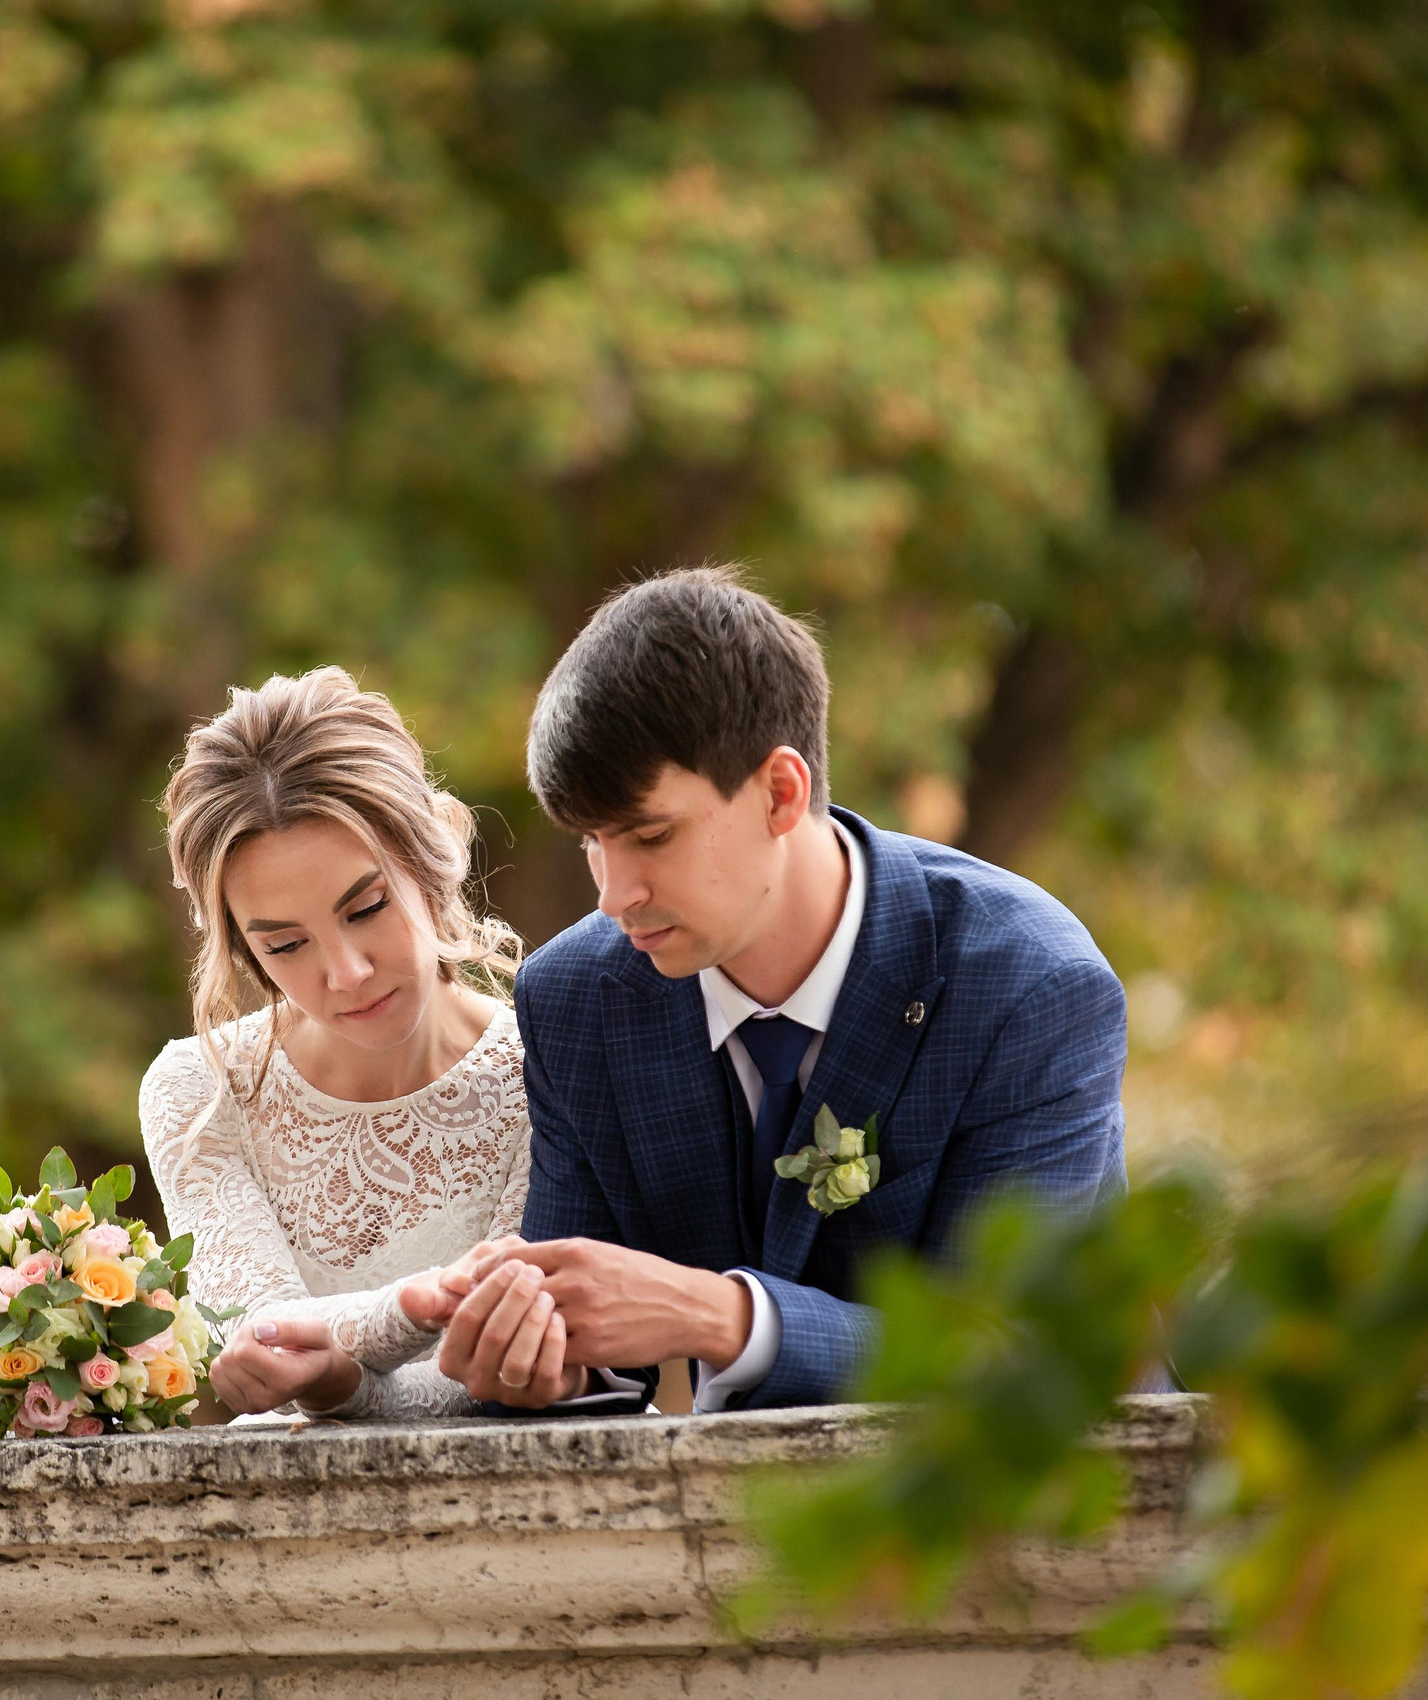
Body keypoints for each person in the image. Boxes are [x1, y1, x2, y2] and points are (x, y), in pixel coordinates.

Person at [409, 567, 1130, 1413]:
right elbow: (599, 1342)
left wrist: (724, 1316)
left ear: (781, 792)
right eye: (592, 843)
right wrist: (554, 1364)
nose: (614, 894)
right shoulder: (575, 996)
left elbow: (1019, 1356)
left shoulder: (1030, 983)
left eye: (650, 834)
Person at [139, 667, 543, 1420]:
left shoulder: (549, 1067)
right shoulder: (198, 1092)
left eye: (366, 907)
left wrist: (347, 1384)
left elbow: (498, 1377)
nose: (346, 974)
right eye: (287, 944)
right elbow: (264, 1344)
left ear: (431, 857)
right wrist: (420, 1305)